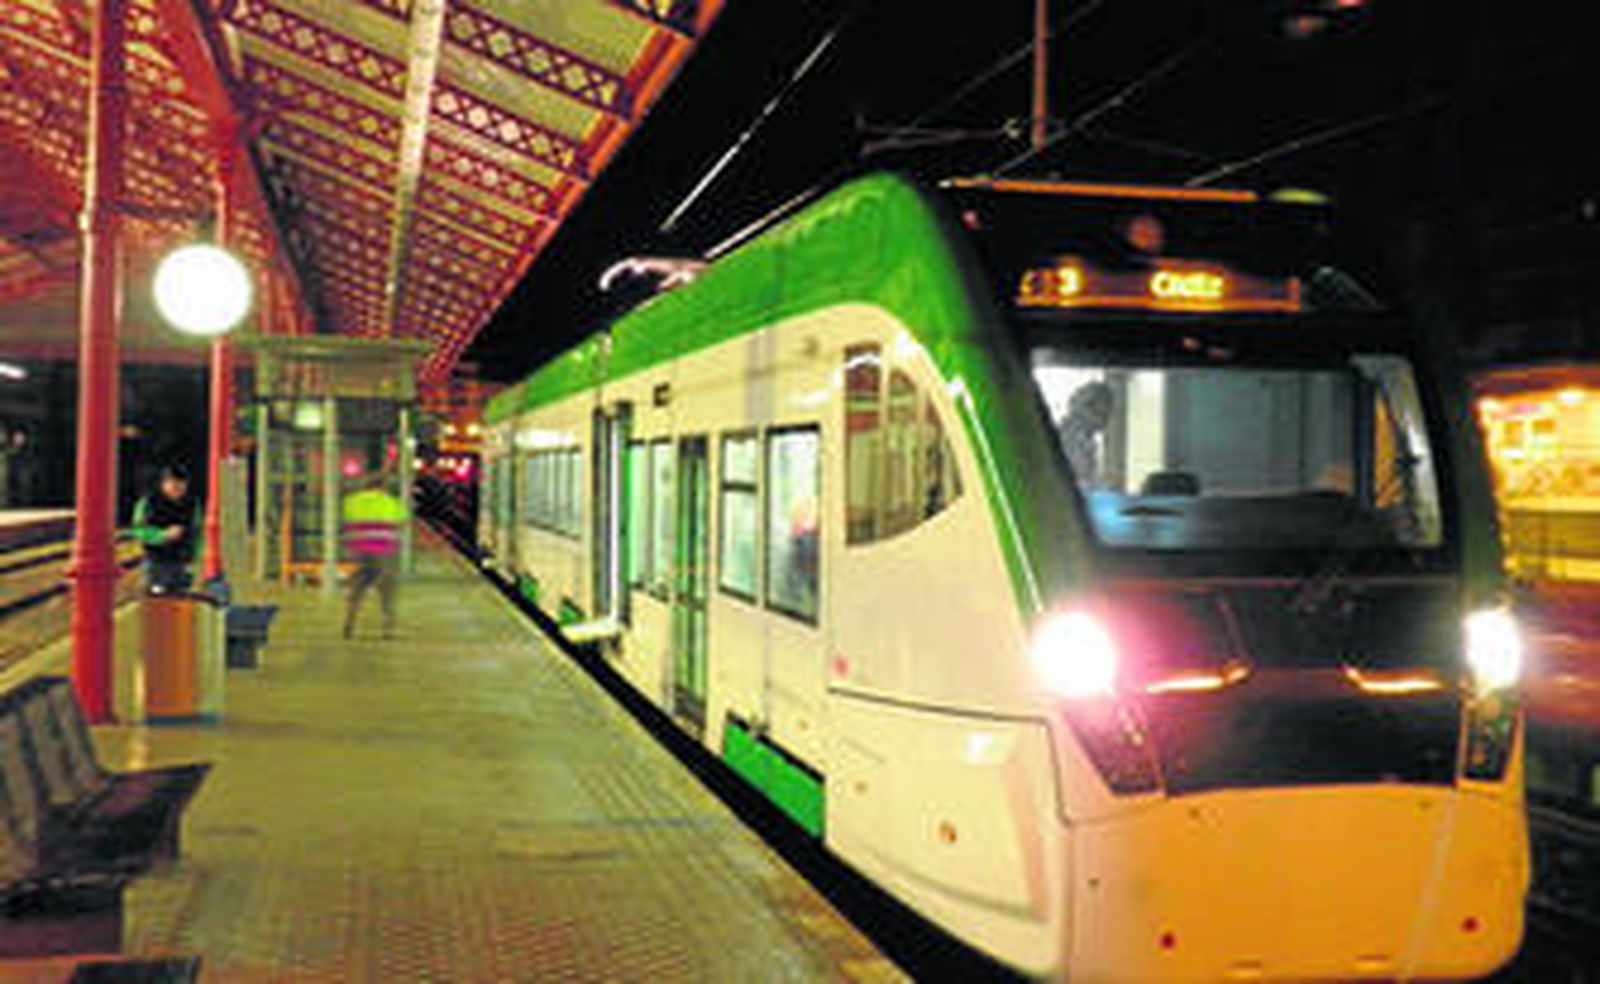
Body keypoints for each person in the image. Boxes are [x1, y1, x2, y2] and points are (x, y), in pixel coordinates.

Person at [342, 474, 408, 639]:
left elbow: (347, 521)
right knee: (387, 591)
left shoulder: (352, 501)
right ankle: (387, 627)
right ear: (382, 487)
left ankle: (349, 622)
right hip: (384, 551)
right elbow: (402, 521)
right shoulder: (391, 502)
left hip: (359, 551)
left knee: (357, 589)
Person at [131, 464, 200, 594]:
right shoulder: (148, 502)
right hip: (156, 562)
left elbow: (196, 531)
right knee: (157, 598)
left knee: (182, 600)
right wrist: (162, 535)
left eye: (181, 483)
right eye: (171, 482)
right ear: (163, 483)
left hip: (182, 563)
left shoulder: (192, 503)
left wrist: (193, 558)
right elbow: (138, 530)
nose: (176, 487)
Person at [1058, 380, 1114, 488]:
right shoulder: (1072, 436)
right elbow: (1073, 480)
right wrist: (1104, 486)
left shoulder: (1085, 437)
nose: (1108, 416)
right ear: (1090, 405)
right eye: (1106, 407)